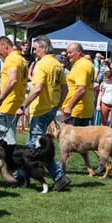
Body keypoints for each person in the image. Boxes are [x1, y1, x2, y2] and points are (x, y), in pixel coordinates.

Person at [16, 35, 71, 191]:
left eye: (35, 49)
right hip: (51, 108)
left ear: (43, 48)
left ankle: (59, 176)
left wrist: (23, 105)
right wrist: (57, 105)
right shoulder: (57, 64)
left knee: (35, 147)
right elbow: (65, 89)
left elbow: (37, 88)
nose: (33, 52)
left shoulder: (41, 65)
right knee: (32, 144)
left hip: (40, 110)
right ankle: (21, 175)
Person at [0, 35, 28, 151]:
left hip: (8, 105)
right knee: (8, 140)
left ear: (5, 46)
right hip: (15, 103)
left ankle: (12, 167)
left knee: (6, 141)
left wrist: (0, 99)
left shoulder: (11, 59)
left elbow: (12, 80)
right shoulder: (21, 59)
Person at [62, 42, 96, 126]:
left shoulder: (82, 65)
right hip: (81, 110)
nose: (68, 55)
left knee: (72, 139)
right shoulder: (85, 63)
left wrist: (69, 106)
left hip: (77, 111)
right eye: (67, 53)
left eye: (70, 52)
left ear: (79, 52)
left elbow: (81, 89)